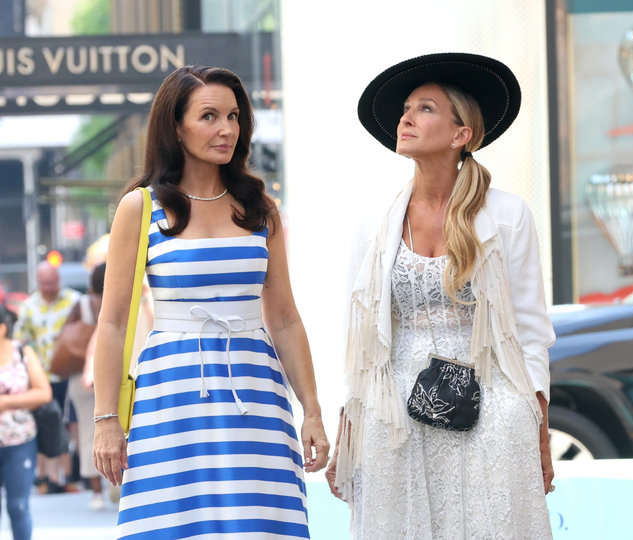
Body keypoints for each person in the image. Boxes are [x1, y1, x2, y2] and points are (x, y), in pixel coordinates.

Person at [92, 65, 329, 539]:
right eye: (209, 116)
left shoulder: (260, 208)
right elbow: (114, 322)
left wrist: (313, 410)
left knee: (260, 524)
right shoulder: (141, 207)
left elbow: (283, 316)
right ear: (175, 126)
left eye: (234, 116)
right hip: (170, 396)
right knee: (171, 525)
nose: (226, 129)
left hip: (255, 393)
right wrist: (105, 421)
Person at [326, 52, 555, 539]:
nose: (405, 118)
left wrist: (538, 427)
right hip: (395, 415)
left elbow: (531, 331)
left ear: (461, 134)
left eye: (425, 108)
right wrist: (349, 420)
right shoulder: (374, 224)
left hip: (492, 407)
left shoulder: (508, 215)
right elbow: (360, 338)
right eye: (406, 108)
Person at [14, 261, 81, 494]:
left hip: (70, 372)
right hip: (42, 376)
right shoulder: (30, 306)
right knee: (47, 423)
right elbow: (20, 338)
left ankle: (69, 475)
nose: (48, 287)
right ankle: (47, 476)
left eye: (52, 283)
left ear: (58, 281)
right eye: (44, 284)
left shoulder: (73, 301)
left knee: (71, 423)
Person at [0, 304, 52, 540]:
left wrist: (6, 403)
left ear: (2, 328)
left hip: (19, 440)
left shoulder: (22, 353)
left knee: (18, 505)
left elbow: (43, 393)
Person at [65, 262, 106, 510]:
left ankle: (97, 493)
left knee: (88, 433)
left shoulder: (81, 304)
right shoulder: (128, 298)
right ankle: (120, 483)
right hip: (116, 370)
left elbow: (65, 332)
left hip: (83, 375)